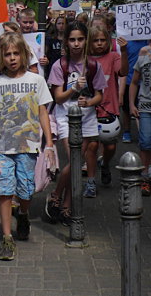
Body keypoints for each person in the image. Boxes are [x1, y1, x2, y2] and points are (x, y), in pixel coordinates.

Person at [0, 31, 55, 260]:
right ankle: (7, 238)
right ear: (1, 57)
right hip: (3, 147)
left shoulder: (36, 81)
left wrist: (49, 144)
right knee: (5, 192)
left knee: (26, 190)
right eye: (7, 54)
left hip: (28, 146)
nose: (12, 58)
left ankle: (23, 213)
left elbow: (43, 112)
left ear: (24, 55)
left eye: (16, 53)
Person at [44, 21, 106, 224]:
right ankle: (56, 194)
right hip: (65, 116)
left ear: (85, 40)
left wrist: (88, 101)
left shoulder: (93, 65)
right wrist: (74, 89)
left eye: (80, 39)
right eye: (72, 39)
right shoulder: (59, 65)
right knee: (75, 161)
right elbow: (59, 98)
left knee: (77, 164)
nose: (76, 44)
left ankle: (67, 205)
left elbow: (99, 96)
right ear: (66, 41)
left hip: (87, 117)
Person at [87, 23, 127, 191]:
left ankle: (105, 163)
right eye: (95, 40)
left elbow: (123, 72)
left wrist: (124, 52)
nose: (100, 43)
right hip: (90, 109)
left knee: (110, 146)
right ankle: (90, 180)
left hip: (109, 107)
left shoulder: (112, 57)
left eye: (103, 40)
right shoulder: (85, 59)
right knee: (92, 144)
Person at [128, 39, 151, 195]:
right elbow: (135, 81)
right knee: (145, 141)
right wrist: (131, 104)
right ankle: (144, 178)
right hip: (146, 105)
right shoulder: (143, 53)